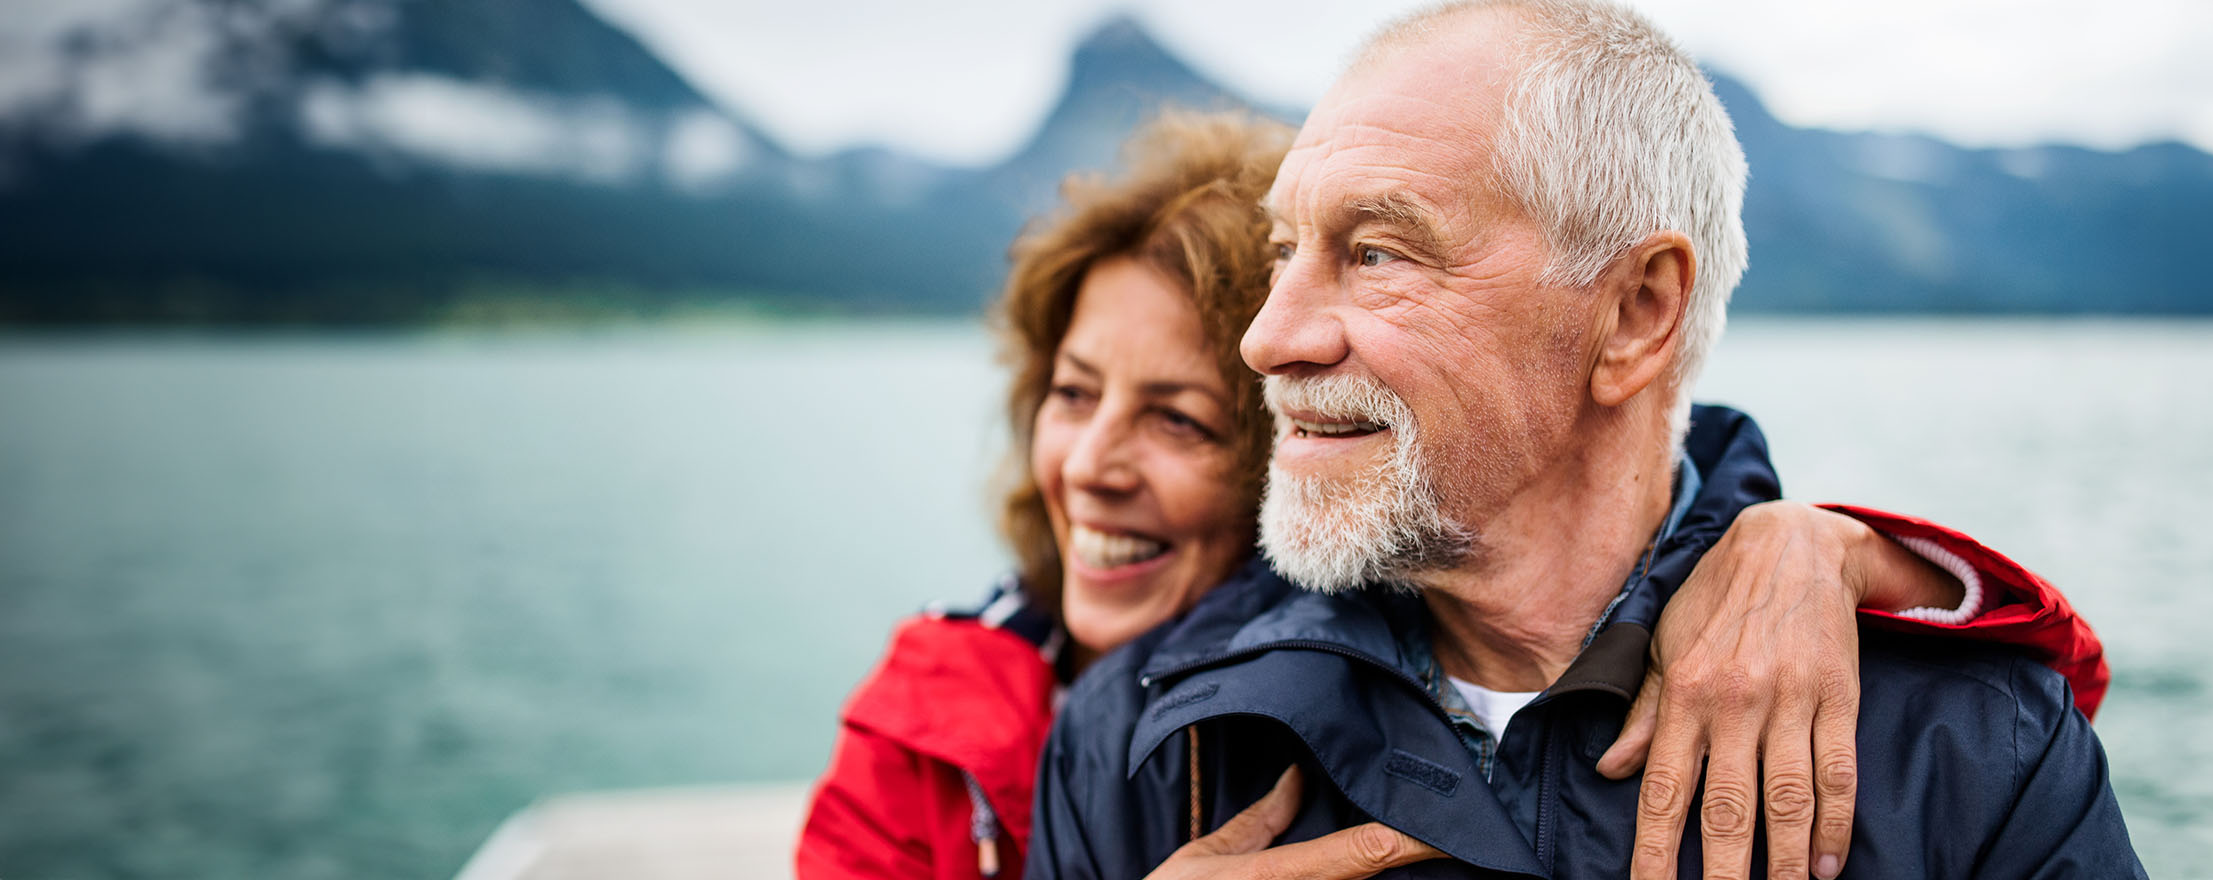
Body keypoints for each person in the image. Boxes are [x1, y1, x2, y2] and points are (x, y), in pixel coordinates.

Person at [802, 108, 2106, 880]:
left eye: (1180, 419)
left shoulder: (1912, 706)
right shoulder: (939, 722)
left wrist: (1821, 547)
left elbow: (2026, 707)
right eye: (1073, 394)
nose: (1090, 461)